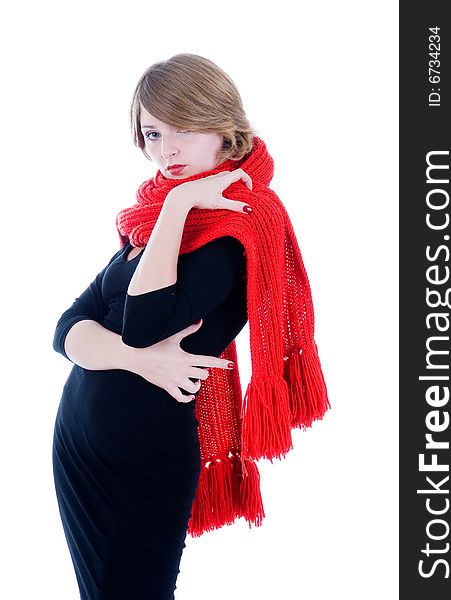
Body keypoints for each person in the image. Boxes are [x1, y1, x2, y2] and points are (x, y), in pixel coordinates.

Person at [52, 53, 329, 600]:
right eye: (152, 133)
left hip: (145, 454)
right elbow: (65, 330)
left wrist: (179, 204)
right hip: (79, 446)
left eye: (183, 128)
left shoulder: (238, 229)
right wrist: (139, 360)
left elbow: (140, 323)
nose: (166, 150)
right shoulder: (149, 222)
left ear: (226, 132)